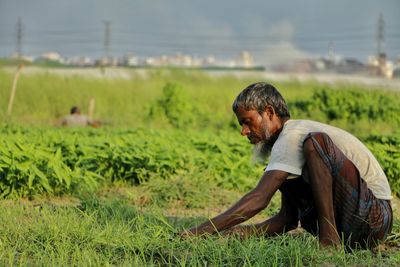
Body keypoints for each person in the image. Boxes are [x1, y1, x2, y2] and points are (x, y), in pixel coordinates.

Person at [182, 82, 392, 249]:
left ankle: (329, 241)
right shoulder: (286, 148)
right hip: (357, 228)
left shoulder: (293, 135)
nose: (244, 131)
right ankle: (332, 238)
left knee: (315, 143)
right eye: (241, 125)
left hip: (374, 219)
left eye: (248, 121)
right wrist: (241, 232)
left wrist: (198, 232)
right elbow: (287, 219)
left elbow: (258, 199)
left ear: (269, 112)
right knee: (287, 172)